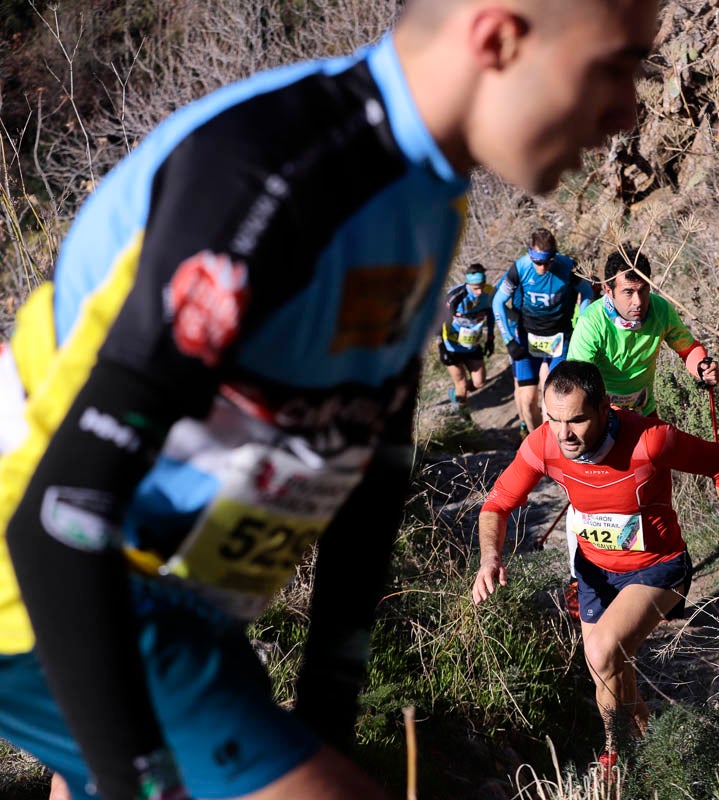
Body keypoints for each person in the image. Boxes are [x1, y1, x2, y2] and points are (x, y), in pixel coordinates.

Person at [0, 1, 658, 798]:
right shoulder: (276, 175)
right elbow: (57, 518)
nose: (628, 110)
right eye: (614, 65)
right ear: (498, 37)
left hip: (163, 599)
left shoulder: (423, 193)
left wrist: (328, 707)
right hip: (58, 585)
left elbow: (372, 467)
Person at [471, 361, 719, 769]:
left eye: (575, 420)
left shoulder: (650, 440)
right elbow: (497, 505)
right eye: (553, 419)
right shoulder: (544, 444)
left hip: (658, 566)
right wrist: (490, 558)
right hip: (594, 571)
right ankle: (652, 746)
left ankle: (615, 754)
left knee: (602, 651)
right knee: (610, 670)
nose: (563, 434)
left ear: (604, 407)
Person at [568, 245, 719, 417]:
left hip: (644, 413)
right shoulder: (591, 323)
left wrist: (702, 368)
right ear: (609, 291)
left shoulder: (660, 310)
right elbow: (576, 381)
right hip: (602, 417)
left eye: (643, 290)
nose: (638, 302)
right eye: (628, 292)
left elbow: (689, 349)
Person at [493, 227, 594, 436]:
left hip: (560, 338)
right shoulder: (520, 268)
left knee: (556, 399)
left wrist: (582, 324)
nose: (542, 267)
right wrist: (508, 340)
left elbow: (586, 293)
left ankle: (554, 447)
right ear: (530, 253)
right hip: (526, 337)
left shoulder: (568, 266)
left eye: (547, 261)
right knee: (528, 400)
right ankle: (534, 441)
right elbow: (497, 303)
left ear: (554, 256)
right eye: (537, 262)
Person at [440, 264, 495, 416]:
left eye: (482, 286)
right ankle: (465, 416)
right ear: (467, 284)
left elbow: (491, 316)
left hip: (472, 344)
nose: (479, 292)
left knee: (480, 382)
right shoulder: (455, 296)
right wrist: (441, 342)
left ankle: (455, 394)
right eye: (475, 288)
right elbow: (439, 320)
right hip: (452, 346)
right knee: (461, 384)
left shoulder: (489, 293)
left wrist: (490, 337)